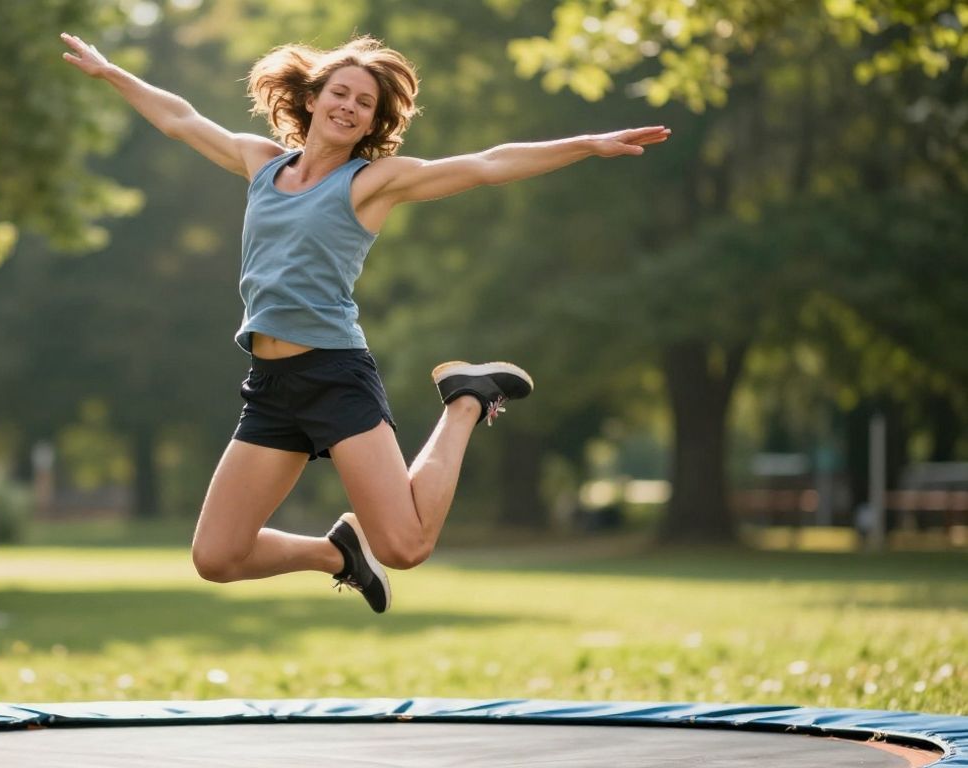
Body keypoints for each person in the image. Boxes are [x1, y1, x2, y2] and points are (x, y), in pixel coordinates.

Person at [61, 33, 669, 613]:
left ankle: (465, 400)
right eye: (340, 93)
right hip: (271, 388)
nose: (349, 107)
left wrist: (586, 143)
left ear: (374, 121)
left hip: (333, 375)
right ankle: (339, 554)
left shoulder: (372, 183)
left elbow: (486, 164)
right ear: (312, 98)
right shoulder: (262, 165)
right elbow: (181, 118)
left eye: (364, 103)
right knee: (217, 556)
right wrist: (111, 72)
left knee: (406, 547)